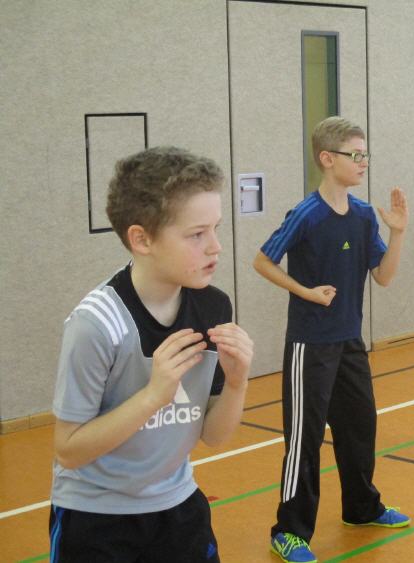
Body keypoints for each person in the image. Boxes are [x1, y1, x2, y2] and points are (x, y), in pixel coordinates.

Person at [49, 147, 254, 562]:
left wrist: (236, 383)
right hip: (97, 517)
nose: (215, 247)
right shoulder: (96, 324)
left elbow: (214, 437)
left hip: (178, 507)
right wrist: (153, 396)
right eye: (197, 234)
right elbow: (69, 449)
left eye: (215, 229)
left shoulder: (212, 306)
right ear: (141, 239)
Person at [253, 116, 410, 563]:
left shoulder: (362, 215)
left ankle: (362, 508)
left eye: (365, 154)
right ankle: (289, 530)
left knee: (359, 426)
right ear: (327, 158)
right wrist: (305, 291)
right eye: (354, 155)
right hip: (310, 344)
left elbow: (383, 276)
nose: (363, 162)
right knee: (304, 439)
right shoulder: (307, 214)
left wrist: (398, 232)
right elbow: (263, 261)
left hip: (349, 341)